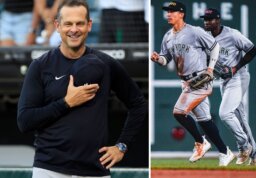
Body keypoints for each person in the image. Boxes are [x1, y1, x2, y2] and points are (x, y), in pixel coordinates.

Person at [17, 0, 147, 177]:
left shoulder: (106, 64)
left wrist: (121, 146)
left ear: (89, 25)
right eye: (68, 24)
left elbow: (138, 104)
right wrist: (66, 102)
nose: (74, 29)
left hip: (94, 170)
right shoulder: (40, 66)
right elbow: (25, 121)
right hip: (49, 169)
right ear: (57, 25)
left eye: (79, 23)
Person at [151, 1, 234, 166]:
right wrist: (157, 59)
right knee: (205, 120)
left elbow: (215, 46)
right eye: (168, 11)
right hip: (186, 82)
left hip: (201, 79)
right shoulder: (168, 36)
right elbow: (165, 59)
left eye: (172, 11)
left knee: (179, 112)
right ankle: (225, 152)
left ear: (181, 14)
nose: (168, 14)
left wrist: (210, 69)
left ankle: (201, 142)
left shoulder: (194, 32)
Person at [200, 8, 256, 165]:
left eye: (210, 19)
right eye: (205, 19)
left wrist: (235, 67)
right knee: (240, 118)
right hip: (224, 79)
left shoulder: (232, 34)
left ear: (218, 20)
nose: (207, 22)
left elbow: (252, 50)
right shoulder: (205, 37)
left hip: (238, 76)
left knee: (225, 113)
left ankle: (244, 145)